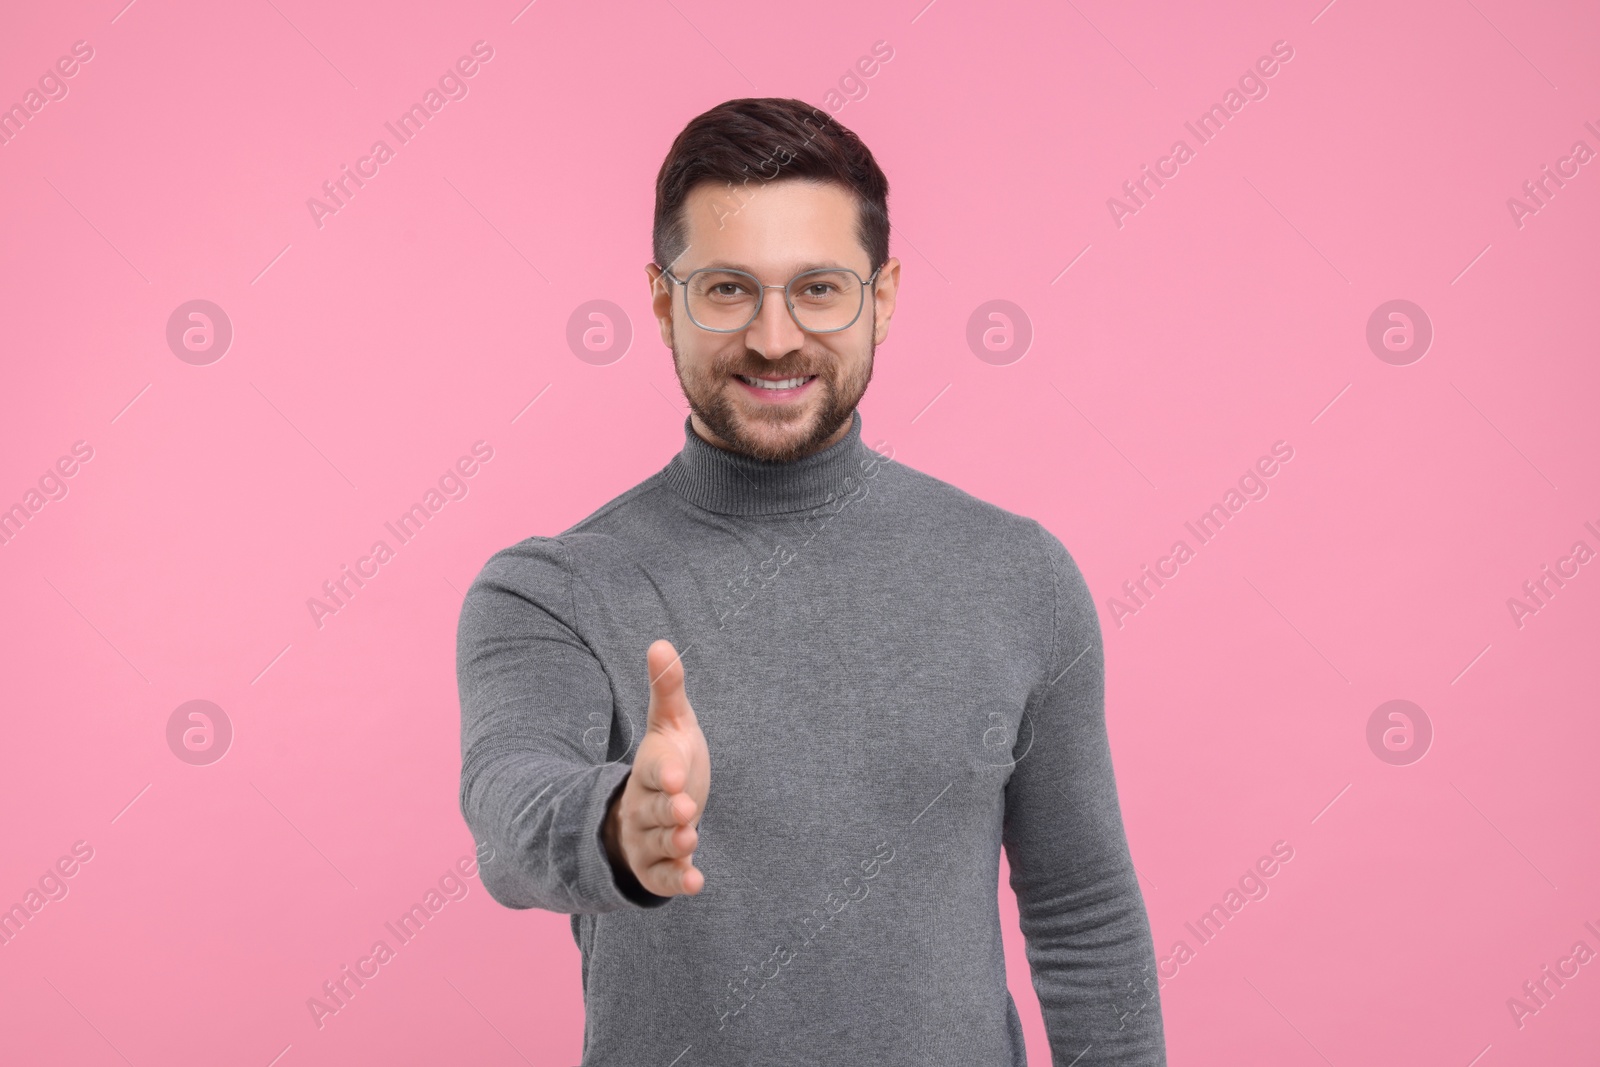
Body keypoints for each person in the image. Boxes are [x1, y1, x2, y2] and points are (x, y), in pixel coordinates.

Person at [457, 97, 1167, 1065]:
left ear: (882, 295)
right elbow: (510, 811)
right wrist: (624, 822)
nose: (776, 337)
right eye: (727, 289)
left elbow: (1082, 910)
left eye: (819, 289)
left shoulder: (1018, 575)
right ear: (664, 301)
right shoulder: (553, 589)